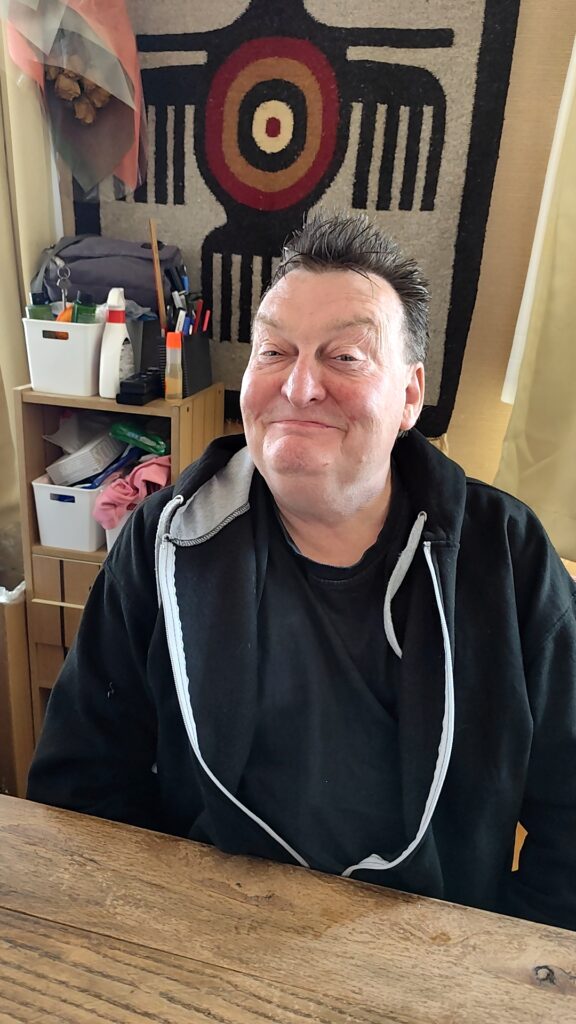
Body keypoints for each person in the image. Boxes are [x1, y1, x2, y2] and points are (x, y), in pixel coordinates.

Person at [27, 211, 576, 932]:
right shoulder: (161, 542)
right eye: (274, 351)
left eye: (344, 356)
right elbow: (80, 788)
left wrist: (494, 971)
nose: (299, 386)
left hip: (436, 952)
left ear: (410, 396)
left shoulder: (508, 557)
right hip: (200, 939)